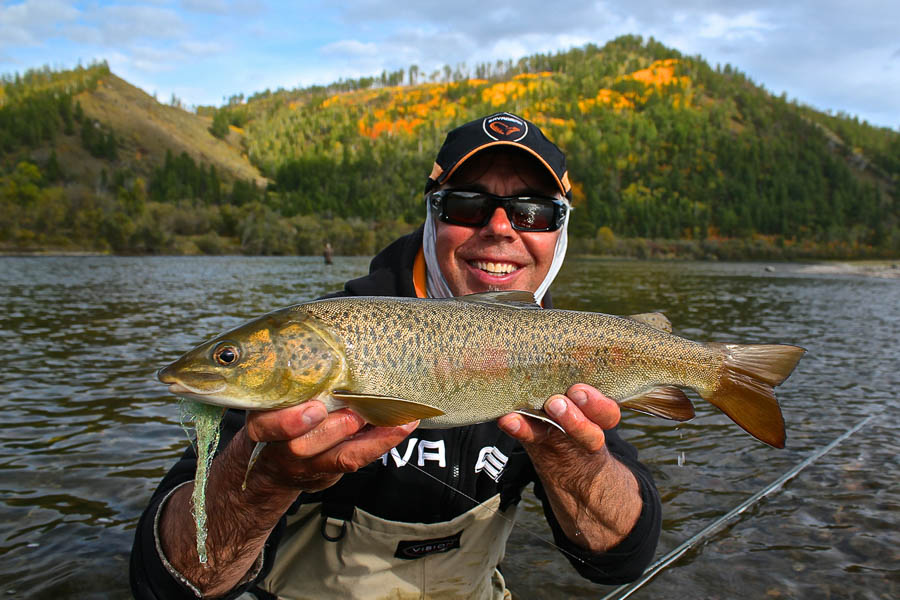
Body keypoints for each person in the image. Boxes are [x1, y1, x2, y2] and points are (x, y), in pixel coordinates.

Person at [130, 111, 662, 599]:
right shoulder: (329, 326)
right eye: (467, 205)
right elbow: (168, 583)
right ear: (433, 215)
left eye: (533, 212)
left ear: (559, 232)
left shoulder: (566, 345)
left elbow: (620, 560)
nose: (500, 228)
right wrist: (265, 482)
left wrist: (574, 459)